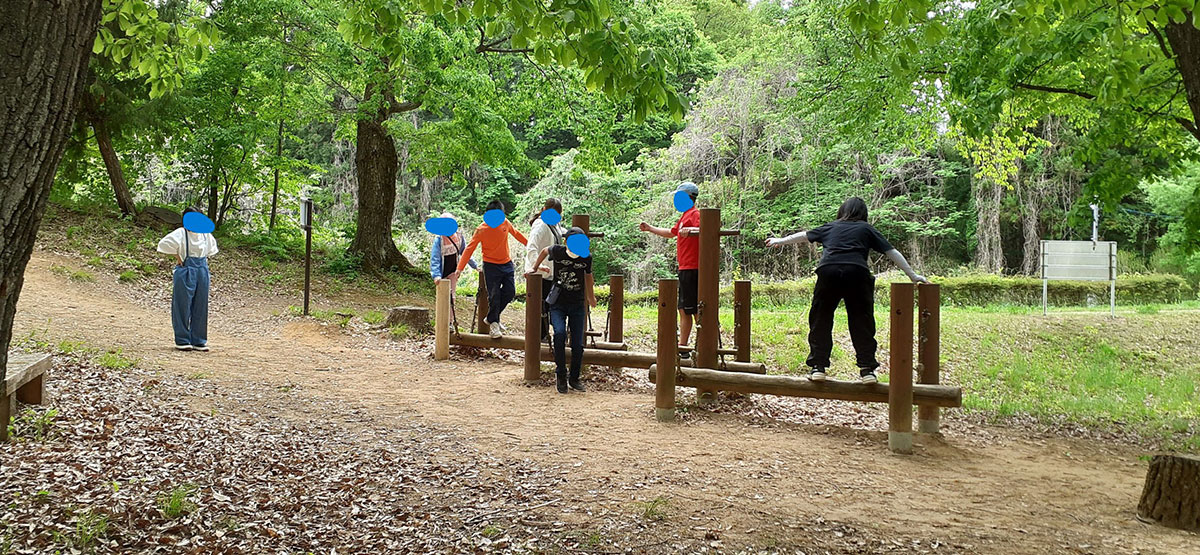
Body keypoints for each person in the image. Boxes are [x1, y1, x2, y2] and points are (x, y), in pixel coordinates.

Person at [765, 197, 928, 384]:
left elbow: (804, 235)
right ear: (863, 213)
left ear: (842, 211)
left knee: (821, 318)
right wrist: (913, 276)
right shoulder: (866, 229)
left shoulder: (831, 226)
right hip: (856, 272)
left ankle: (818, 366)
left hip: (829, 271)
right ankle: (867, 370)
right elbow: (891, 252)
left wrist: (779, 240)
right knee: (862, 320)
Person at [639, 181, 701, 357]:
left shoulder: (695, 214)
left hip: (693, 267)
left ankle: (700, 344)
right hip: (685, 267)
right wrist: (650, 228)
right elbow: (672, 232)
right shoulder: (684, 216)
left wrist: (692, 230)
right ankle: (683, 346)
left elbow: (706, 230)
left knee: (694, 308)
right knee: (683, 308)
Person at [532, 227, 597, 393]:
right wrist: (535, 267)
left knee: (577, 343)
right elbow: (544, 251)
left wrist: (591, 296)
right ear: (567, 241)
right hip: (558, 301)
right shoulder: (558, 251)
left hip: (577, 302)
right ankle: (560, 373)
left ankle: (574, 378)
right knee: (559, 334)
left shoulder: (586, 257)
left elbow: (588, 276)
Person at [456, 200, 528, 338]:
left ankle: (491, 317)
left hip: (507, 264)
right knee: (494, 296)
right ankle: (494, 325)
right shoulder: (481, 229)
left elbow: (517, 234)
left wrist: (530, 245)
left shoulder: (505, 223)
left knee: (510, 291)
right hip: (490, 266)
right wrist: (460, 268)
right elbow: (469, 249)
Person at [157, 208, 219, 352]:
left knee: (201, 305)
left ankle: (199, 340)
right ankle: (182, 339)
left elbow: (211, 251)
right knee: (182, 304)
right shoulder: (180, 233)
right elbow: (163, 244)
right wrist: (178, 257)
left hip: (202, 270)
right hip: (185, 270)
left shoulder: (205, 234)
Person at [524, 198, 565, 342]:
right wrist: (537, 265)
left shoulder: (554, 224)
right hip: (540, 274)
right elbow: (531, 247)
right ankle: (540, 338)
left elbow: (561, 234)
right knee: (541, 306)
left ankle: (545, 335)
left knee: (549, 305)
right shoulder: (540, 225)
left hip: (551, 273)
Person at [429, 211, 477, 292]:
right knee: (443, 297)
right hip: (442, 274)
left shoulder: (459, 237)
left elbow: (465, 253)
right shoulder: (439, 240)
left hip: (453, 272)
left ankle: (452, 304)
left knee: (452, 295)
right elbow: (435, 258)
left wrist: (475, 266)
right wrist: (436, 275)